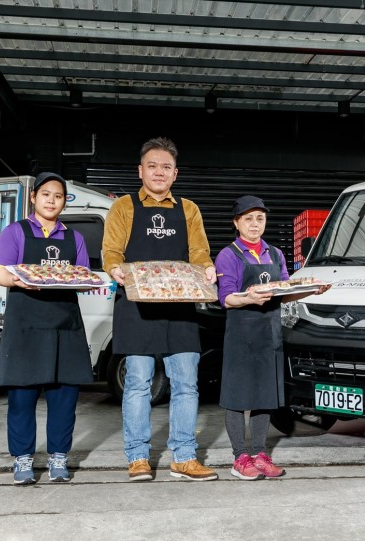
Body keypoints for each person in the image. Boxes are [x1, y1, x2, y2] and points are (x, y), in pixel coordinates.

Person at [102, 137, 218, 482]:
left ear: (175, 173)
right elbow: (111, 253)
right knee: (138, 383)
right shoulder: (123, 207)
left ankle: (184, 456)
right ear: (140, 170)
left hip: (180, 305)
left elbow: (198, 253)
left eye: (166, 167)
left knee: (186, 383)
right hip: (136, 305)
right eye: (152, 165)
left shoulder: (188, 209)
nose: (158, 172)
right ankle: (138, 457)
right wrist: (115, 270)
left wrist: (207, 268)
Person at [214, 195, 331, 480]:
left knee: (264, 395)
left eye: (260, 218)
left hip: (270, 332)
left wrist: (311, 290)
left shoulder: (275, 254)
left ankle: (259, 454)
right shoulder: (228, 255)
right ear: (236, 223)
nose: (255, 224)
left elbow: (284, 292)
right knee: (237, 397)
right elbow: (225, 297)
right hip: (241, 334)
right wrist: (249, 297)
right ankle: (239, 458)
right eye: (248, 219)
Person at [0, 172, 94, 485]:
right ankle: (23, 460)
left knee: (65, 396)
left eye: (59, 196)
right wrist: (18, 280)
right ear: (34, 197)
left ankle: (58, 458)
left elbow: (82, 276)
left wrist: (88, 281)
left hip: (64, 324)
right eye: (46, 194)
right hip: (26, 325)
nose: (52, 200)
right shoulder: (16, 232)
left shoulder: (74, 238)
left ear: (64, 201)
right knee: (21, 396)